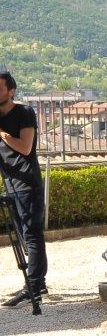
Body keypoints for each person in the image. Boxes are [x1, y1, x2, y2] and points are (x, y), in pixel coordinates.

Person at [0, 70, 47, 308]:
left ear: (11, 91)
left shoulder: (24, 113)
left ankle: (33, 287)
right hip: (10, 183)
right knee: (25, 236)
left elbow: (26, 147)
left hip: (27, 184)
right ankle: (39, 283)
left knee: (32, 235)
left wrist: (2, 134)